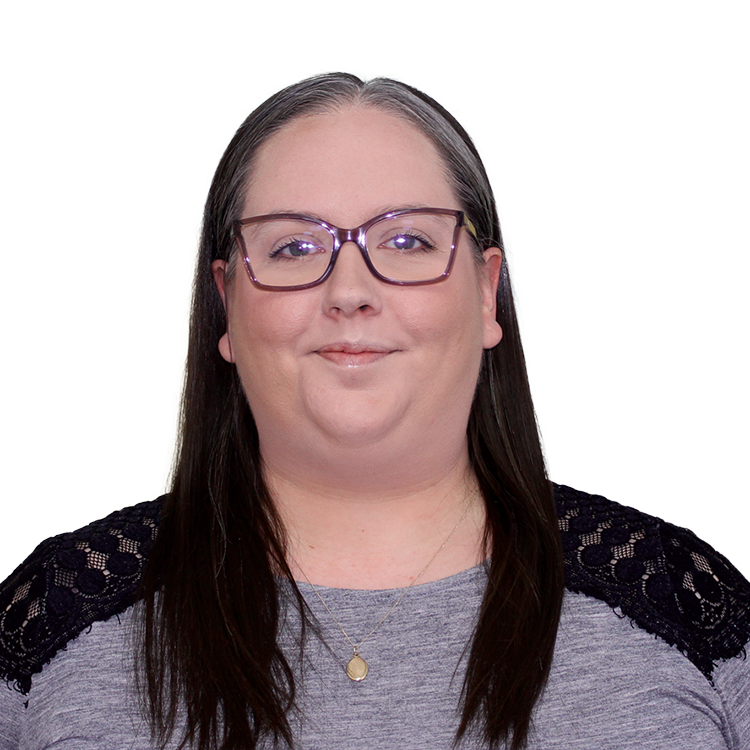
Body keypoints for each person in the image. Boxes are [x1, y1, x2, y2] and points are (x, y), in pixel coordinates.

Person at [1, 71, 749, 750]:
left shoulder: (688, 611)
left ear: (486, 293)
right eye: (294, 247)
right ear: (227, 303)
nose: (350, 291)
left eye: (407, 240)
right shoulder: (50, 626)